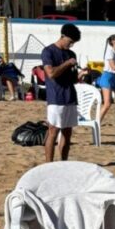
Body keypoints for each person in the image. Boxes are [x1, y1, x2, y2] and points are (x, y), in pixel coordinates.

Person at [41, 23, 82, 162]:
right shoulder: (48, 51)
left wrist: (81, 74)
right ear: (63, 36)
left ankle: (63, 162)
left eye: (73, 43)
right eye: (70, 42)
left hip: (70, 96)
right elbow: (51, 73)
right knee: (53, 131)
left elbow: (73, 79)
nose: (71, 46)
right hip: (56, 98)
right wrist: (67, 64)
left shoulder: (71, 54)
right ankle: (48, 164)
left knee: (67, 132)